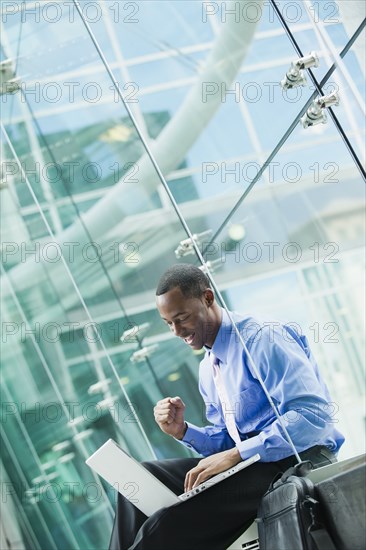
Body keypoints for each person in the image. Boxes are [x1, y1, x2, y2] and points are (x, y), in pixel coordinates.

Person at [109, 263, 344, 550]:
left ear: (208, 298)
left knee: (164, 527)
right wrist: (183, 431)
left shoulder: (262, 338)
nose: (176, 331)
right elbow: (227, 442)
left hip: (295, 459)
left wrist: (237, 453)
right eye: (168, 323)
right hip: (252, 463)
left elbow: (313, 417)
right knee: (137, 483)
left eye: (182, 318)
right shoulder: (208, 370)